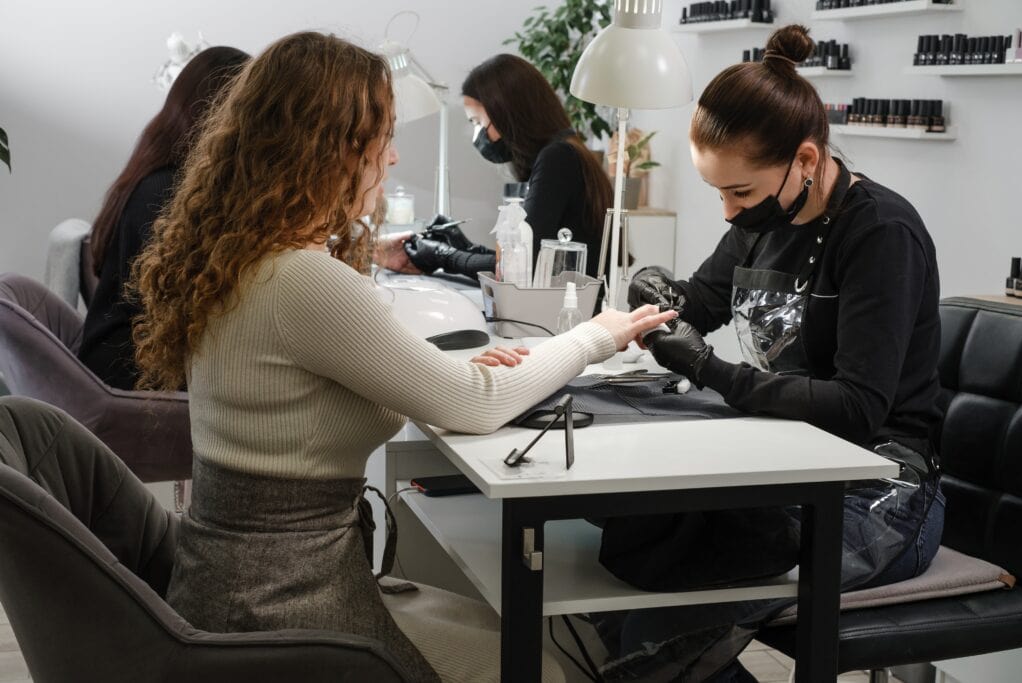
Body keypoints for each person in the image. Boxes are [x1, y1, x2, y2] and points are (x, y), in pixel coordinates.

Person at [129, 31, 675, 683]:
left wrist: (434, 367)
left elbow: (341, 365)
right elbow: (476, 405)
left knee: (495, 624)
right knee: (540, 666)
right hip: (279, 610)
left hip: (235, 582)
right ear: (330, 149)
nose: (390, 160)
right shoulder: (302, 281)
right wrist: (597, 336)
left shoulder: (243, 256)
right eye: (381, 139)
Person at [614, 24, 946, 681]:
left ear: (805, 159)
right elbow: (697, 305)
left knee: (658, 623)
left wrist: (708, 368)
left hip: (878, 489)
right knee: (623, 568)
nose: (728, 212)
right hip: (787, 463)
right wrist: (652, 292)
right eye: (718, 192)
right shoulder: (762, 225)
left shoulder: (880, 233)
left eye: (739, 192)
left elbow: (855, 408)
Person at [78, 46, 250, 390]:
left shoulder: (159, 176)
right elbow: (194, 301)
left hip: (136, 358)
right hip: (131, 375)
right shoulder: (166, 191)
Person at [403, 53, 614, 281]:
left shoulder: (558, 158)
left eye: (478, 122)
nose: (479, 135)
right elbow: (522, 258)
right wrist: (466, 248)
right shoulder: (565, 151)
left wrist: (445, 256)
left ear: (506, 114)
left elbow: (518, 268)